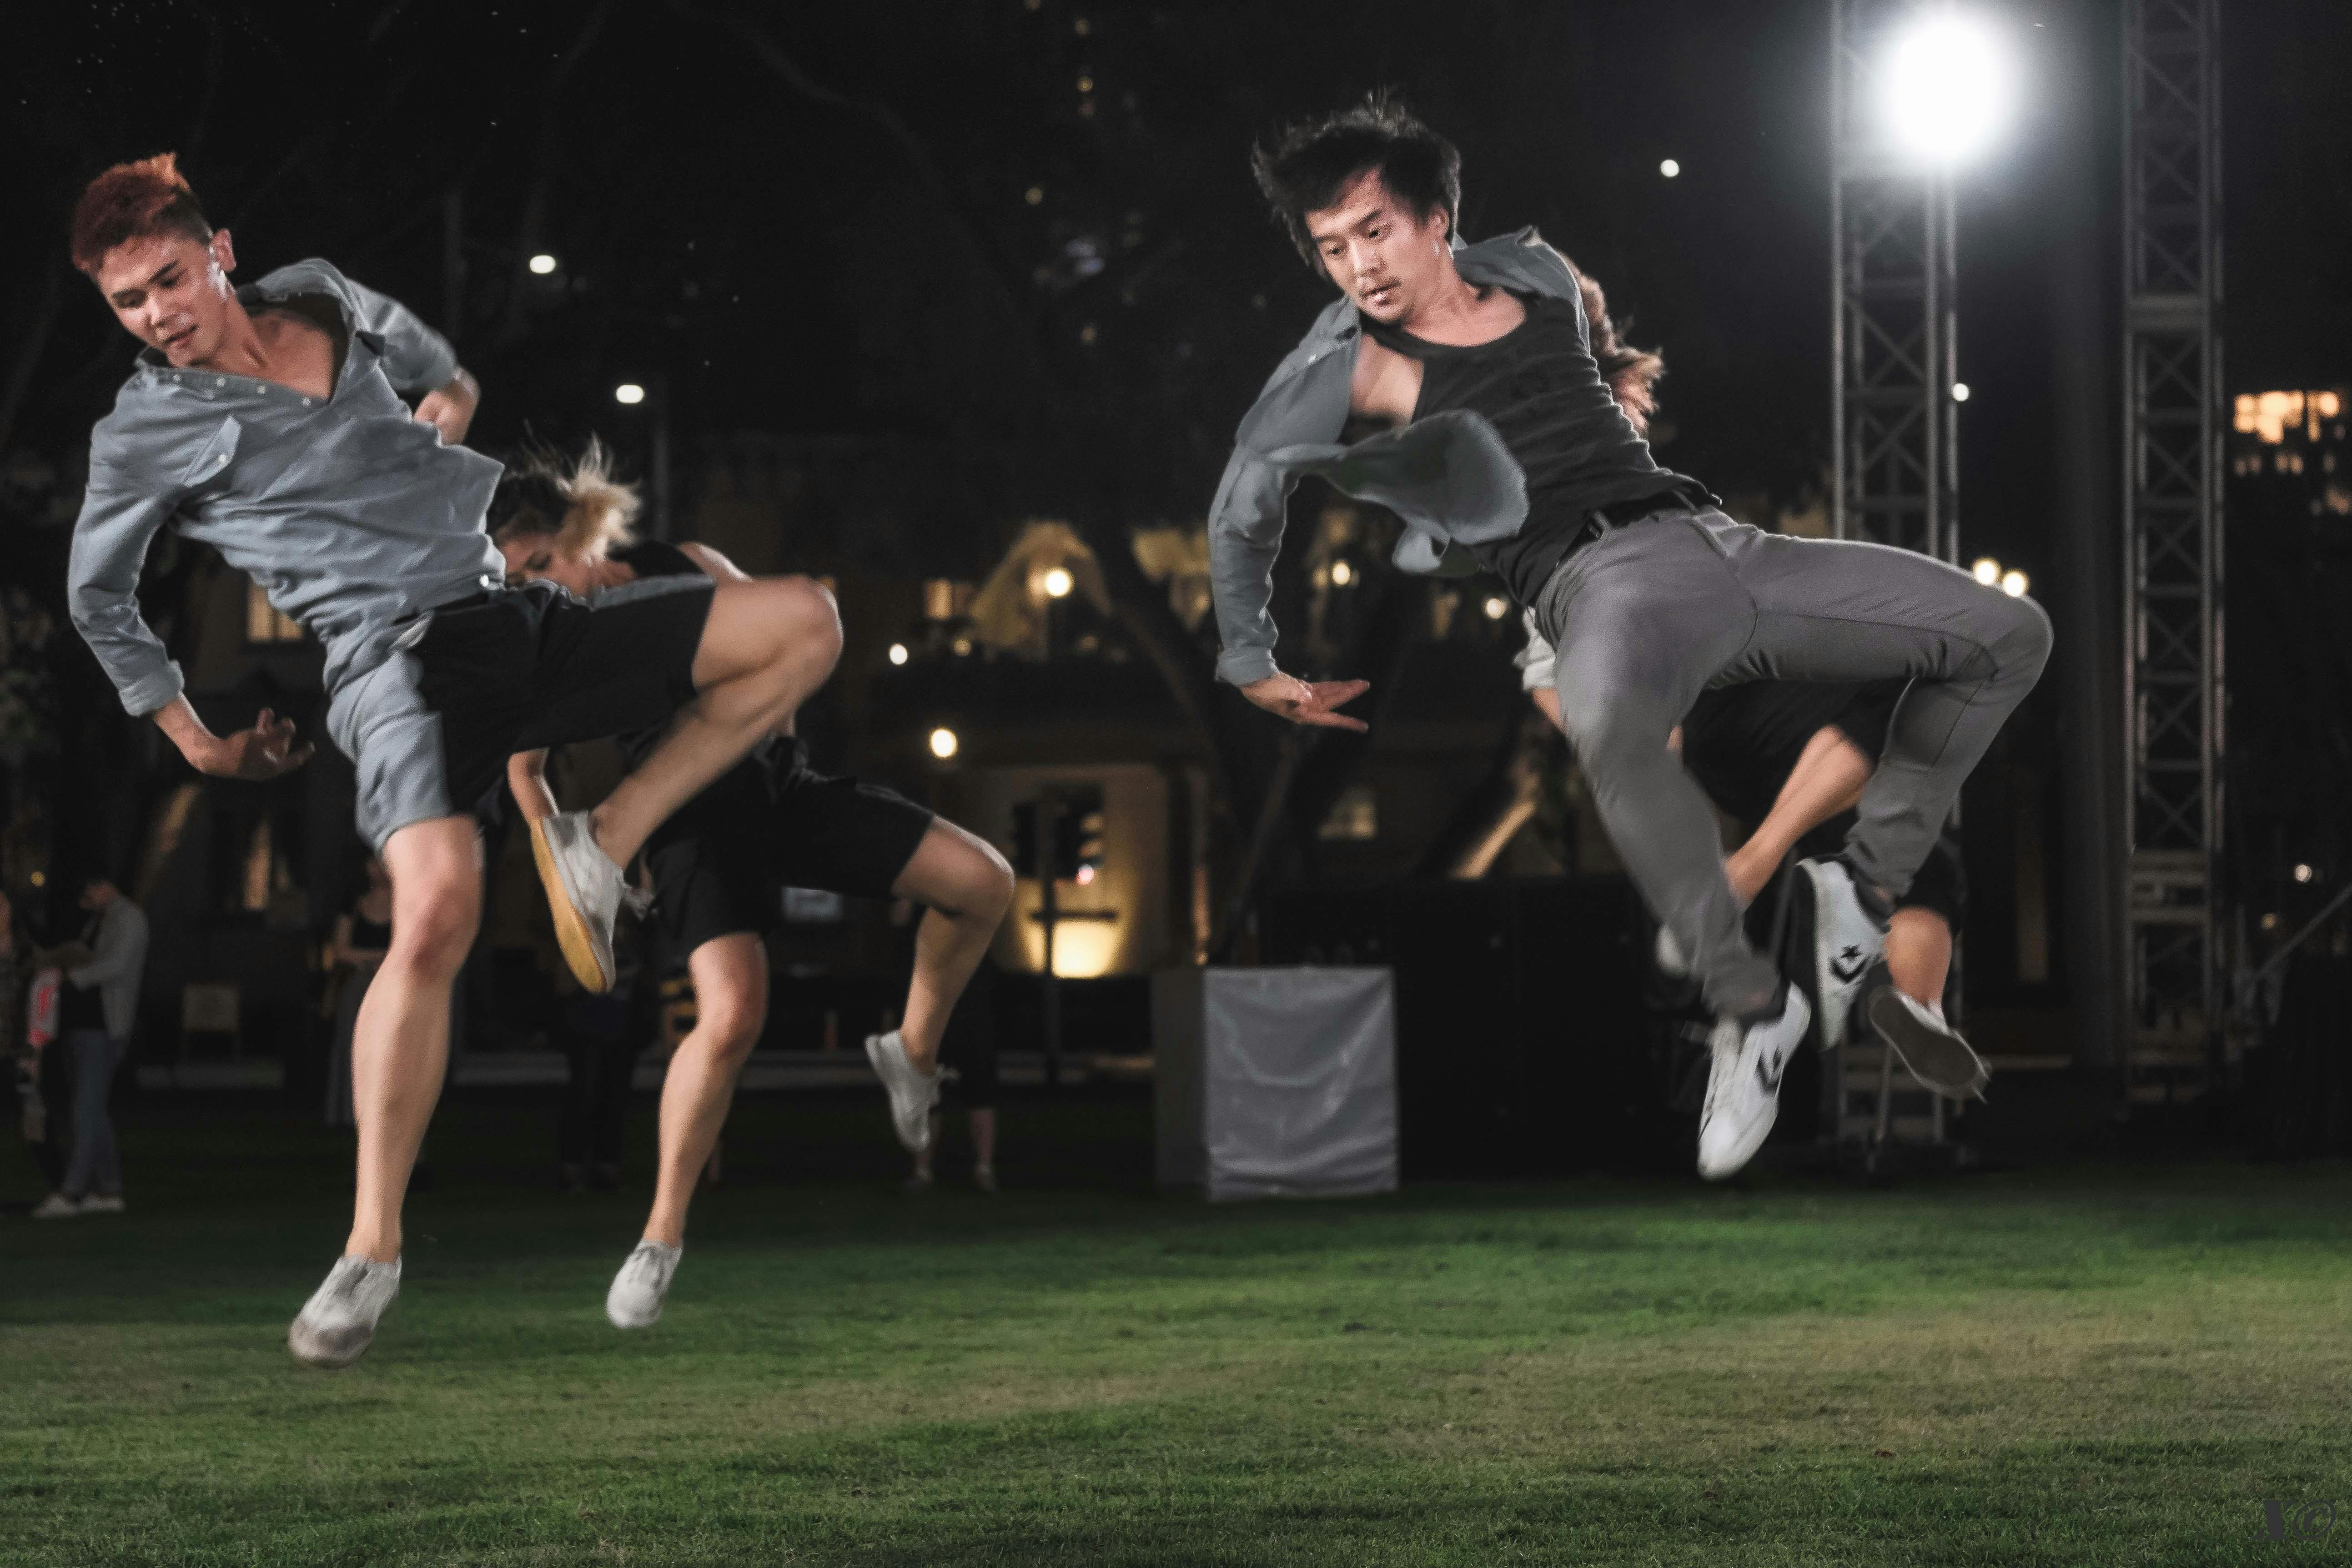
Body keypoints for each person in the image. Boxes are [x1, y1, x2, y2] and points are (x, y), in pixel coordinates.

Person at [65, 154, 841, 1366]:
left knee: (804, 626)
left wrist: (449, 409)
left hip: (510, 619)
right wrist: (202, 745)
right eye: (126, 303)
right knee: (437, 915)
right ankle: (371, 1250)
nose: (156, 314)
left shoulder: (319, 294)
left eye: (167, 278)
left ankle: (608, 839)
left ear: (220, 250)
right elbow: (98, 600)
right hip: (393, 667)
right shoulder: (146, 435)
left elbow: (443, 368)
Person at [1209, 98, 2048, 1180]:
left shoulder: (1536, 277)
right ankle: (1752, 1009)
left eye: (1372, 232)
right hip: (1592, 584)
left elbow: (1566, 286)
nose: (1356, 267)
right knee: (1607, 724)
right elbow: (1242, 500)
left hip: (1714, 540)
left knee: (2001, 636)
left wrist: (1604, 354)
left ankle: (1859, 889)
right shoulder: (1349, 363)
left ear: (1433, 220)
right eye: (1330, 250)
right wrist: (1248, 656)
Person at [493, 446, 1014, 1327]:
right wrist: (558, 853)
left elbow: (786, 651)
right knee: (734, 1012)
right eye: (520, 584)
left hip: (781, 785)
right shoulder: (571, 644)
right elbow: (523, 765)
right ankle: (660, 1236)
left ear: (582, 528)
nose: (543, 590)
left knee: (985, 882)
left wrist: (766, 725)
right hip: (691, 824)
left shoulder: (687, 565)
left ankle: (914, 1049)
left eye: (542, 565)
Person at [31, 876, 149, 1218]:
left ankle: (71, 1193)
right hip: (84, 1027)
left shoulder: (129, 918)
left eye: (89, 891)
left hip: (105, 1028)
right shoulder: (101, 918)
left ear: (107, 886)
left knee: (87, 1110)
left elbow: (115, 966)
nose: (86, 899)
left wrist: (71, 979)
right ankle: (109, 1191)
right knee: (93, 1110)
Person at [902, 926, 1001, 1195]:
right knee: (929, 1100)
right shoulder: (931, 940)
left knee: (981, 1097)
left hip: (974, 1026)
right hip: (937, 1028)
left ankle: (984, 1169)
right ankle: (922, 1170)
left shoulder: (979, 936)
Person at [323, 855, 393, 1129]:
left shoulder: (404, 901)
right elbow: (340, 950)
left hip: (391, 985)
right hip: (359, 983)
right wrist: (372, 959)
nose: (377, 870)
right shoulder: (353, 904)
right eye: (372, 863)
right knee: (353, 1044)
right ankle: (349, 1111)